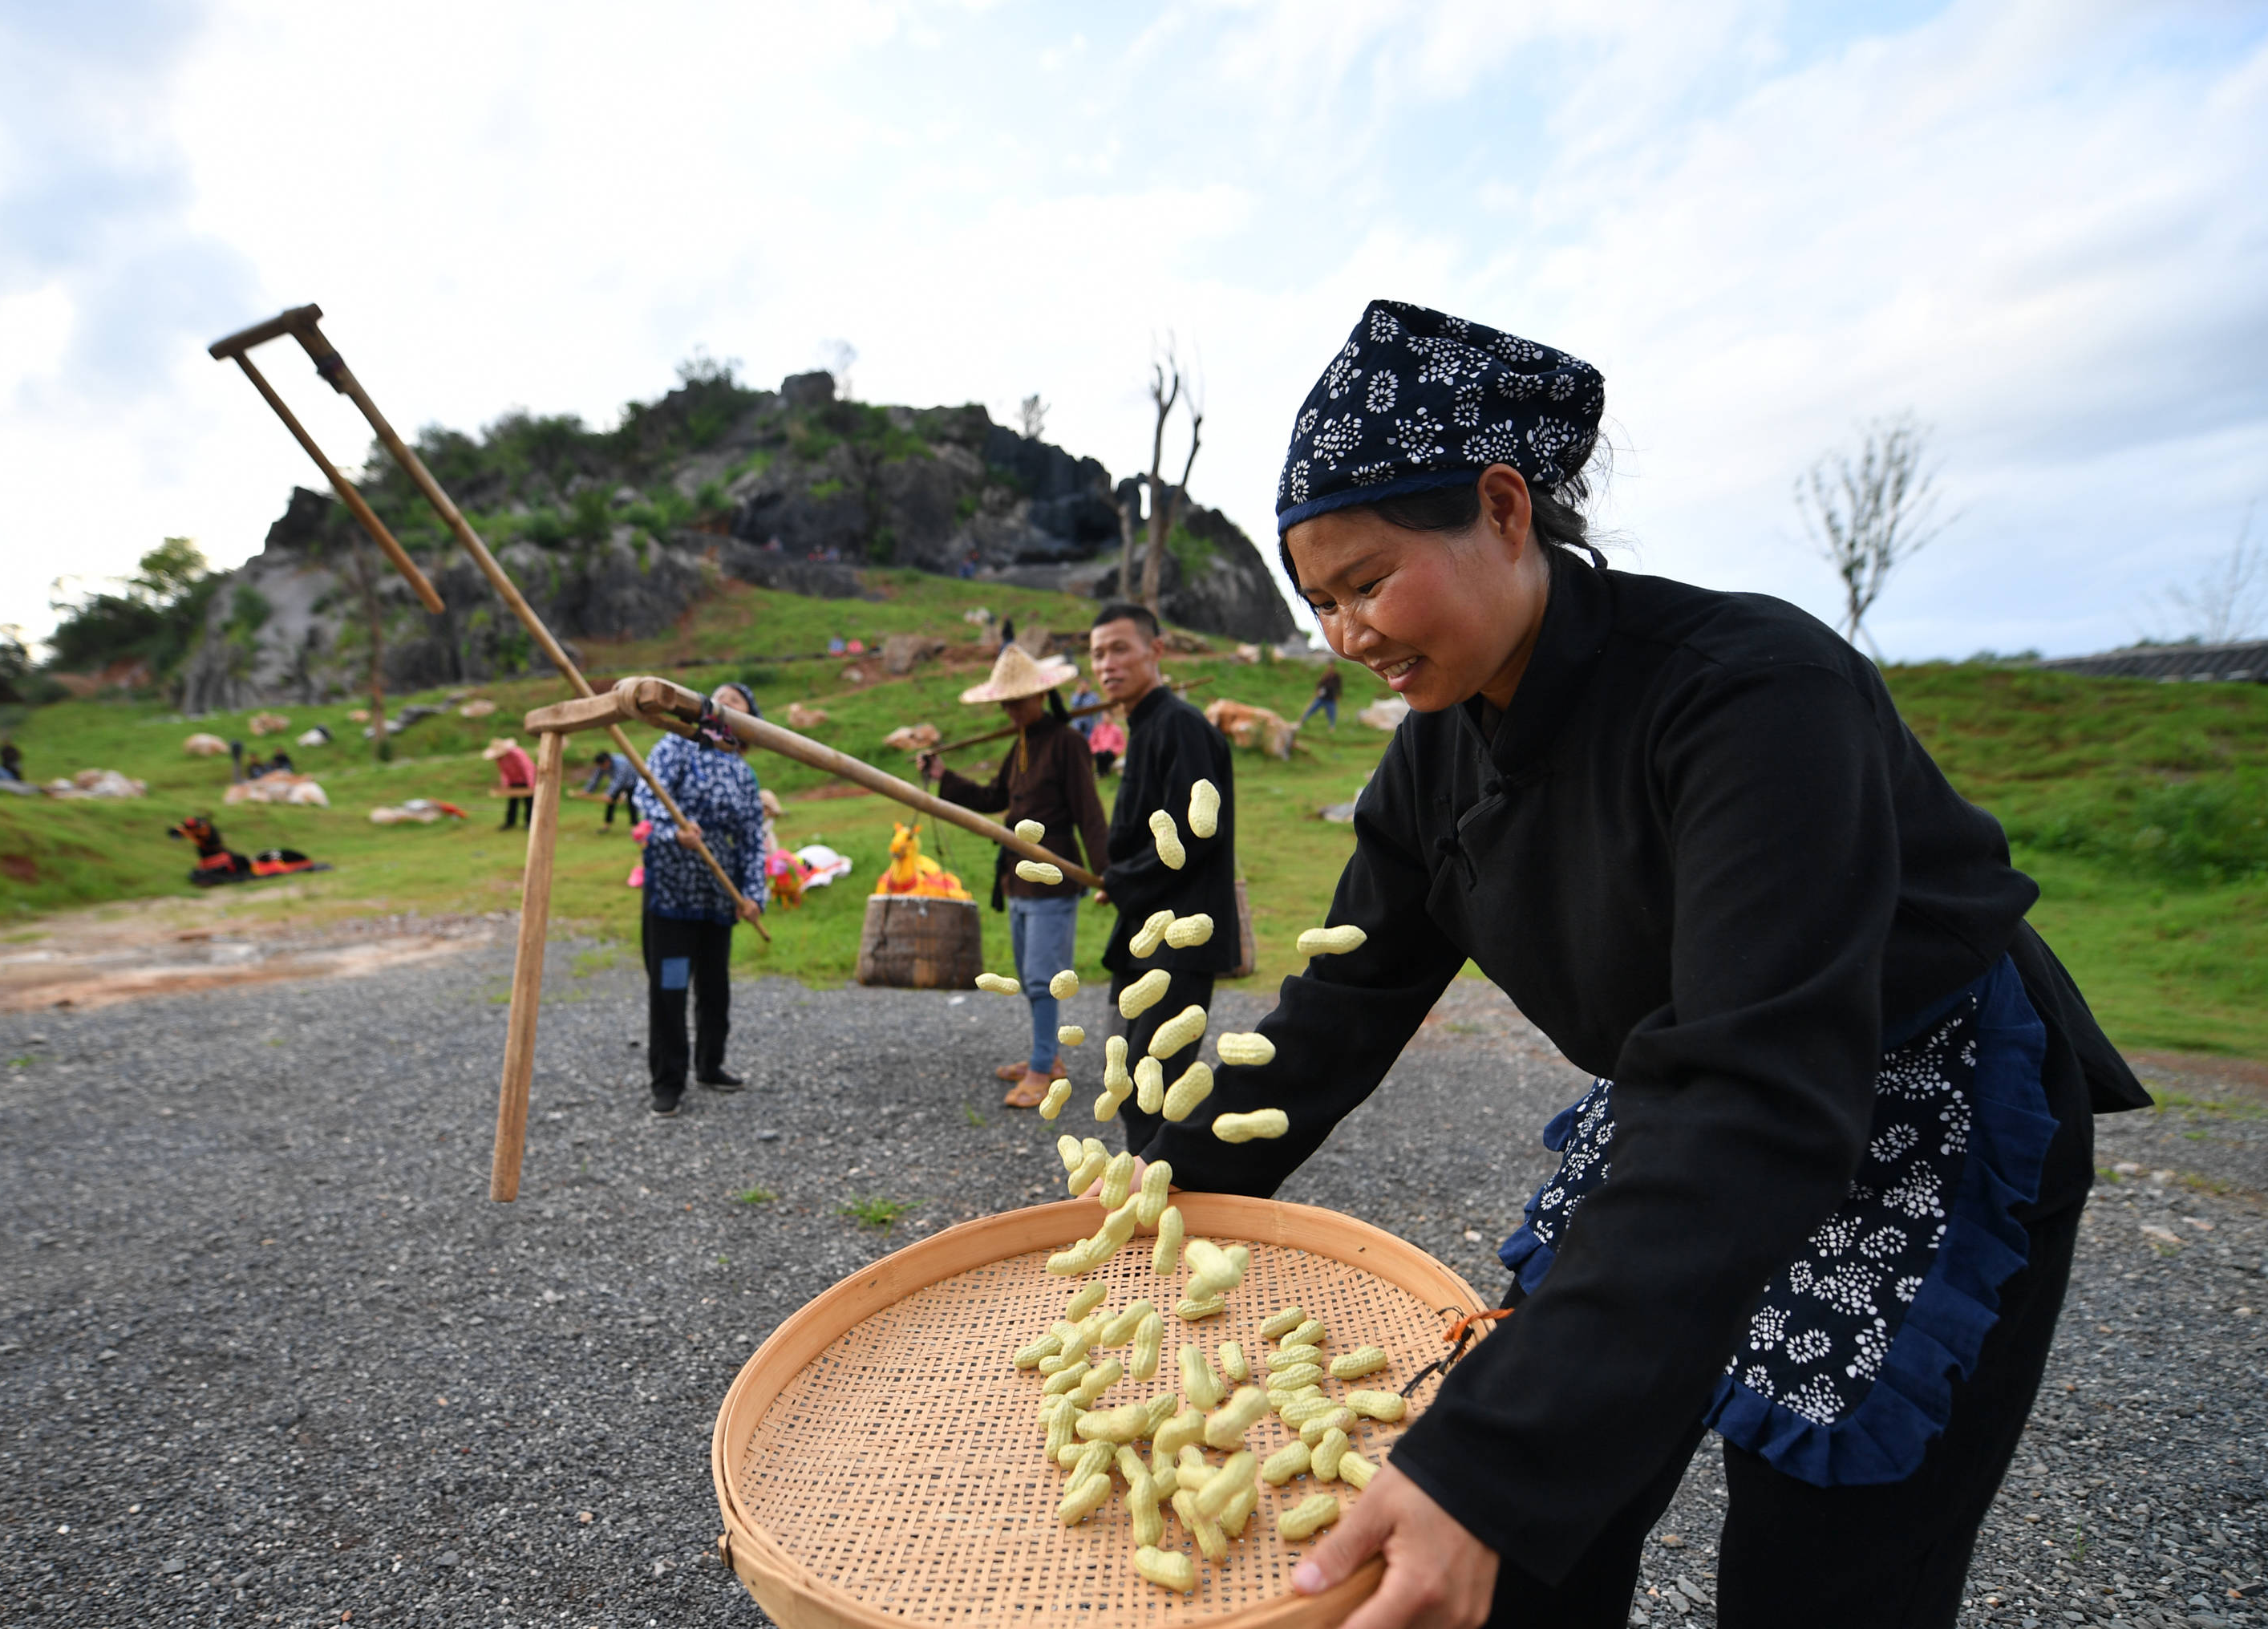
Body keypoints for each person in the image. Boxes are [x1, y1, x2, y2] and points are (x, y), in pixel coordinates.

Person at [1131, 300, 2149, 1629]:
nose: (1348, 635)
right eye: (1320, 602)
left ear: (1504, 508)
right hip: (1686, 1092)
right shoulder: (1433, 757)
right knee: (1543, 1495)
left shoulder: (1750, 692)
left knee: (1817, 1572)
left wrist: (1489, 1467)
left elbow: (1763, 1091)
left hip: (1908, 1099)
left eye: (1371, 581)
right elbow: (1340, 1005)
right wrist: (1155, 1185)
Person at [918, 644, 1110, 1109]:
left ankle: (1043, 1072)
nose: (1010, 709)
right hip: (1018, 880)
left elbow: (1089, 812)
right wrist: (945, 776)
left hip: (1054, 878)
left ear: (1042, 695)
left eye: (1017, 700)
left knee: (1044, 977)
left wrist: (1106, 875)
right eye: (1005, 702)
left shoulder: (1067, 743)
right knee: (1030, 976)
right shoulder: (1020, 743)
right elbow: (993, 799)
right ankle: (1048, 1057)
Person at [1087, 602, 1238, 1153]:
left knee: (1154, 1087)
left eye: (1120, 648)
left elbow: (1197, 834)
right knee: (1131, 1078)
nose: (1107, 664)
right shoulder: (1145, 727)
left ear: (1156, 650)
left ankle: (1159, 1201)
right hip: (1147, 931)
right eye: (1098, 653)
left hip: (1178, 938)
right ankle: (1147, 1190)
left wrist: (1124, 879)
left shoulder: (1179, 726)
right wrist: (1122, 878)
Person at [633, 683, 768, 1115]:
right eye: (719, 697)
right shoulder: (676, 747)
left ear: (748, 719)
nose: (726, 701)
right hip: (672, 896)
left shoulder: (742, 771)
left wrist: (752, 896)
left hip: (718, 899)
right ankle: (668, 1082)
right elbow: (645, 797)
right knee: (670, 986)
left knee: (714, 988)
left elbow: (751, 839)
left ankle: (711, 1065)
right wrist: (675, 831)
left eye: (737, 700)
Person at [484, 736, 537, 829]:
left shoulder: (517, 754)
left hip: (526, 779)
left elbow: (527, 768)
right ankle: (510, 823)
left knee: (529, 802)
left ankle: (529, 823)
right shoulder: (499, 759)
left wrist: (531, 784)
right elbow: (504, 772)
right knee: (512, 802)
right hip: (514, 781)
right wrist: (506, 785)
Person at [585, 748, 639, 827]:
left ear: (607, 761)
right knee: (610, 802)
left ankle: (635, 825)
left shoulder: (621, 763)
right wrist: (588, 790)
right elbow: (596, 778)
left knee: (631, 803)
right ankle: (607, 824)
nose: (602, 768)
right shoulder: (602, 764)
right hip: (618, 783)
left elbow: (619, 780)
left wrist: (608, 794)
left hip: (631, 782)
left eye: (602, 766)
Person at [1302, 660, 1343, 730]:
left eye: (1331, 665)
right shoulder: (1325, 675)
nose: (1330, 667)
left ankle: (1332, 727)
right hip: (1321, 698)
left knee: (1332, 714)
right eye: (1329, 665)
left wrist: (1338, 695)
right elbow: (1319, 684)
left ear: (1334, 666)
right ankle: (1302, 721)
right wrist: (1317, 691)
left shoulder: (1336, 676)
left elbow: (1339, 686)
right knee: (1311, 709)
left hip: (1331, 699)